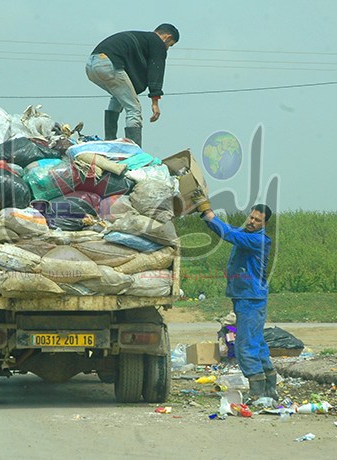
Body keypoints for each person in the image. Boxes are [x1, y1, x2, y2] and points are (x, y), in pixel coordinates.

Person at [193, 190, 278, 400]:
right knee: (256, 342)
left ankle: (257, 391)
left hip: (250, 298)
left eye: (257, 220)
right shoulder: (248, 235)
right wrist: (207, 218)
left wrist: (211, 216)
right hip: (249, 297)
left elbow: (230, 235)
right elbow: (231, 230)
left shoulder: (258, 240)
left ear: (264, 224)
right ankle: (270, 388)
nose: (252, 222)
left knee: (245, 345)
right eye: (251, 217)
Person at [85, 24, 179, 147]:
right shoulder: (157, 43)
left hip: (91, 65)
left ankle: (109, 140)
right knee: (134, 109)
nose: (167, 49)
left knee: (118, 96)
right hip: (108, 64)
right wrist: (155, 102)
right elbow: (156, 70)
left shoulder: (143, 38)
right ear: (167, 37)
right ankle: (134, 151)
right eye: (170, 45)